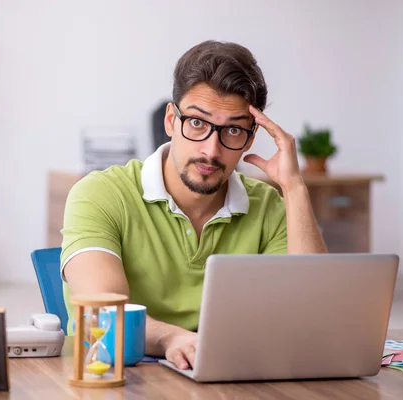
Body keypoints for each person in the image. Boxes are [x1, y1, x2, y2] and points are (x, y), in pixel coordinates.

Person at [60, 40, 327, 370]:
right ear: (171, 120)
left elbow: (311, 314)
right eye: (198, 123)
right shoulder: (100, 193)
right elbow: (101, 312)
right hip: (115, 376)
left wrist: (294, 187)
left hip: (228, 376)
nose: (212, 151)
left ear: (251, 137)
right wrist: (172, 338)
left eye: (232, 130)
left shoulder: (268, 206)